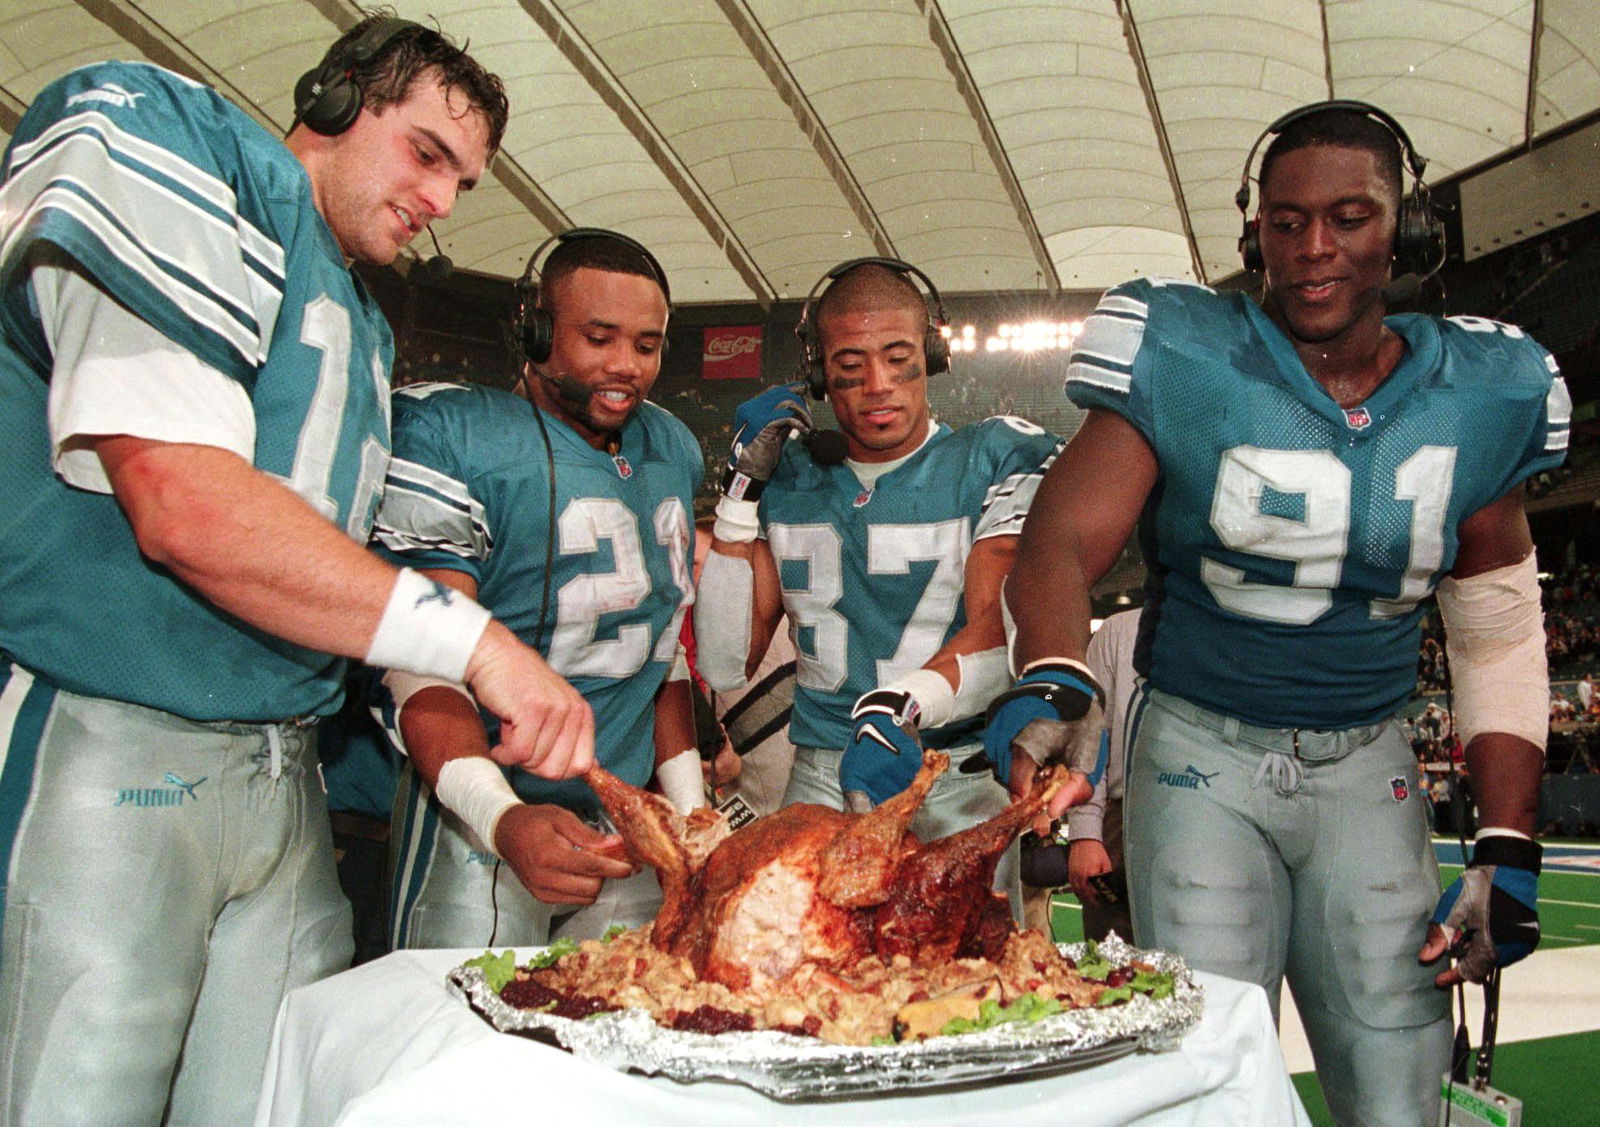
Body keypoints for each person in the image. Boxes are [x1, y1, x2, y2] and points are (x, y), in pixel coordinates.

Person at [0, 19, 599, 1124]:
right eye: (426, 152)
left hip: (284, 775)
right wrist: (479, 642)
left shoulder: (362, 323)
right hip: (108, 735)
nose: (441, 201)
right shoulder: (181, 140)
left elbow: (348, 591)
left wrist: (491, 801)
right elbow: (183, 504)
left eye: (463, 182)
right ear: (334, 97)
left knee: (277, 1103)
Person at [987, 102, 1568, 1126]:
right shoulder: (1188, 349)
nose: (1314, 247)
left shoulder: (1482, 387)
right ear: (1254, 231)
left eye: (1350, 216)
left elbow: (1496, 626)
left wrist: (1507, 839)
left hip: (1369, 761)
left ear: (1407, 229)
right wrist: (1056, 674)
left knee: (1399, 1086)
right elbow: (1060, 540)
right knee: (1210, 1075)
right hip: (1198, 756)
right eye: (1287, 220)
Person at [694, 258, 1063, 913]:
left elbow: (999, 624)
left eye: (898, 359)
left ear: (932, 356)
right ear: (817, 373)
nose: (877, 385)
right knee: (801, 959)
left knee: (967, 964)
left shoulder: (993, 456)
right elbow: (723, 663)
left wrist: (904, 708)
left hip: (953, 767)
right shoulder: (789, 478)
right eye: (850, 365)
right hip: (823, 771)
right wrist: (739, 496)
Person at [375, 229, 702, 950]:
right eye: (598, 337)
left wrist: (690, 812)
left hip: (624, 826)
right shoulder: (454, 432)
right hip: (483, 818)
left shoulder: (671, 445)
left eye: (646, 345)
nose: (626, 365)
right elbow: (419, 654)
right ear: (537, 331)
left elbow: (659, 651)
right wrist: (500, 817)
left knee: (624, 1007)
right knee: (462, 1016)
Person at [1069, 608, 1140, 944]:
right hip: (1121, 820)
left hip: (1210, 812)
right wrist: (1085, 834)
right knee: (1112, 957)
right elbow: (1090, 736)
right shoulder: (1118, 631)